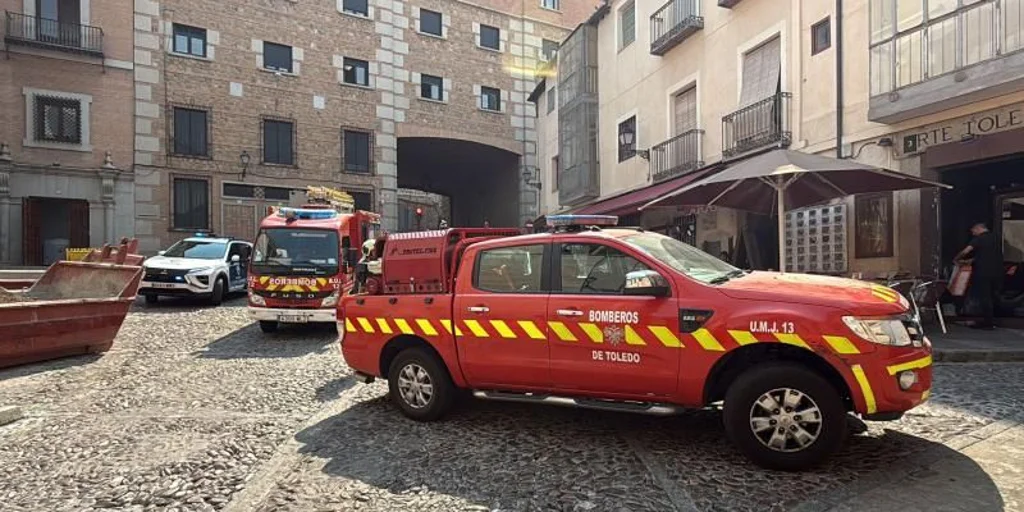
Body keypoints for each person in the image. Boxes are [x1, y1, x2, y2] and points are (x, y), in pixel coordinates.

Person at [955, 222, 1004, 330]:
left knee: (985, 297)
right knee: (992, 295)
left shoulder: (979, 239)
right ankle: (993, 320)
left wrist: (957, 259)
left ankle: (988, 323)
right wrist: (970, 261)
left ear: (978, 228)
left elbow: (966, 251)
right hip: (997, 271)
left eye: (973, 231)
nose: (972, 233)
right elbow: (985, 255)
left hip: (983, 272)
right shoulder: (995, 238)